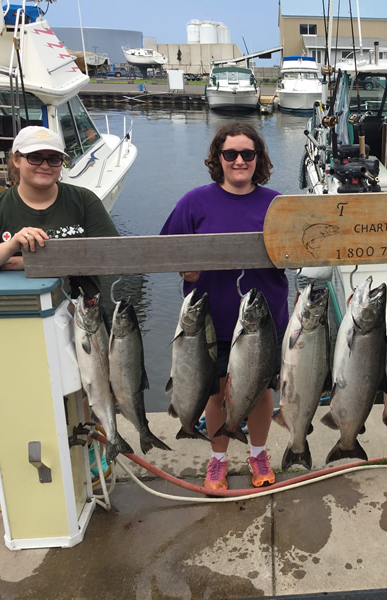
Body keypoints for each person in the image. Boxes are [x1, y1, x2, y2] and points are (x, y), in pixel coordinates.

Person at [159, 122, 288, 491]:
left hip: (263, 319)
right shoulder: (194, 202)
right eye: (230, 153)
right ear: (218, 158)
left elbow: (299, 252)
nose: (239, 160)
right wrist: (186, 266)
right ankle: (217, 460)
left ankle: (258, 453)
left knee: (260, 390)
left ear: (258, 158)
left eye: (248, 153)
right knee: (215, 390)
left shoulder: (276, 204)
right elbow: (165, 250)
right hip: (209, 321)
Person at [0, 126, 118, 298]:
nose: (45, 166)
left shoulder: (84, 201)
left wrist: (26, 262)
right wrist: (11, 246)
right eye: (35, 158)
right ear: (16, 160)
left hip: (86, 317)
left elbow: (115, 257)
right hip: (17, 314)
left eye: (53, 159)